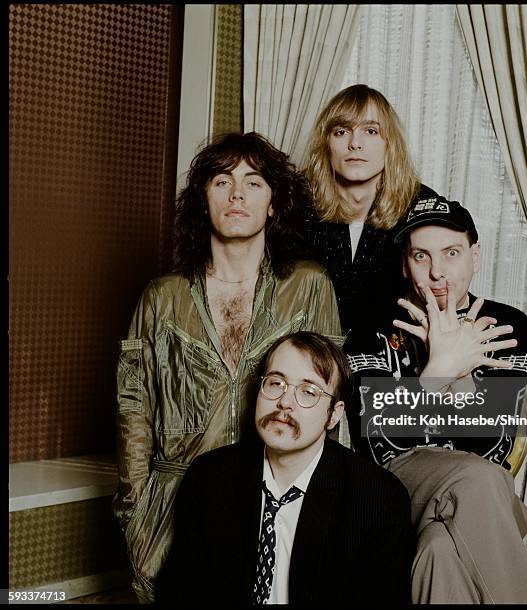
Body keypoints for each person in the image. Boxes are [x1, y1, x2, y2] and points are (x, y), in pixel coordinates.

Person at [112, 133, 344, 602]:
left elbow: (330, 404)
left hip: (276, 503)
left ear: (275, 203)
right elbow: (133, 411)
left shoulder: (309, 286)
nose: (237, 194)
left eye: (253, 182)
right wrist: (136, 515)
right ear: (204, 197)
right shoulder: (162, 298)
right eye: (223, 180)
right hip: (171, 513)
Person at [345, 194, 527, 603]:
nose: (437, 271)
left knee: (439, 551)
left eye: (451, 253)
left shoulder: (507, 325)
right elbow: (382, 446)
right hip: (401, 486)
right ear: (405, 264)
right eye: (421, 256)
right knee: (478, 479)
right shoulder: (372, 326)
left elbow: (494, 447)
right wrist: (439, 368)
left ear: (475, 257)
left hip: (479, 492)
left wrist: (460, 374)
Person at [156, 332, 413, 605]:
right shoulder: (209, 478)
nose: (285, 402)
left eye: (308, 392)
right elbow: (181, 591)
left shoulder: (378, 499)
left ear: (334, 414)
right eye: (276, 383)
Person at [304, 83, 439, 334]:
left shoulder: (422, 207)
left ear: (390, 143)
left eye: (371, 131)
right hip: (311, 362)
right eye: (341, 131)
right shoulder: (295, 203)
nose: (355, 143)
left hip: (394, 361)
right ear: (326, 144)